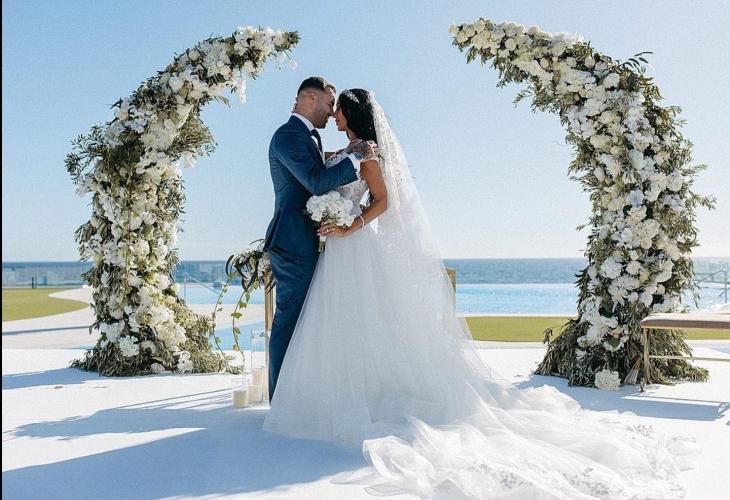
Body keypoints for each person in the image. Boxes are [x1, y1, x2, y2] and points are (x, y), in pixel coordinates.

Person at [264, 88, 694, 499]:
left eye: (339, 108)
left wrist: (350, 224)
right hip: (338, 252)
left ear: (352, 114)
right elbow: (320, 179)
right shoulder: (344, 150)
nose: (334, 113)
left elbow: (383, 200)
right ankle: (331, 392)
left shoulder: (369, 153)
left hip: (355, 245)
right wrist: (332, 213)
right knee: (343, 323)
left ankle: (363, 394)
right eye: (331, 106)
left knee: (365, 320)